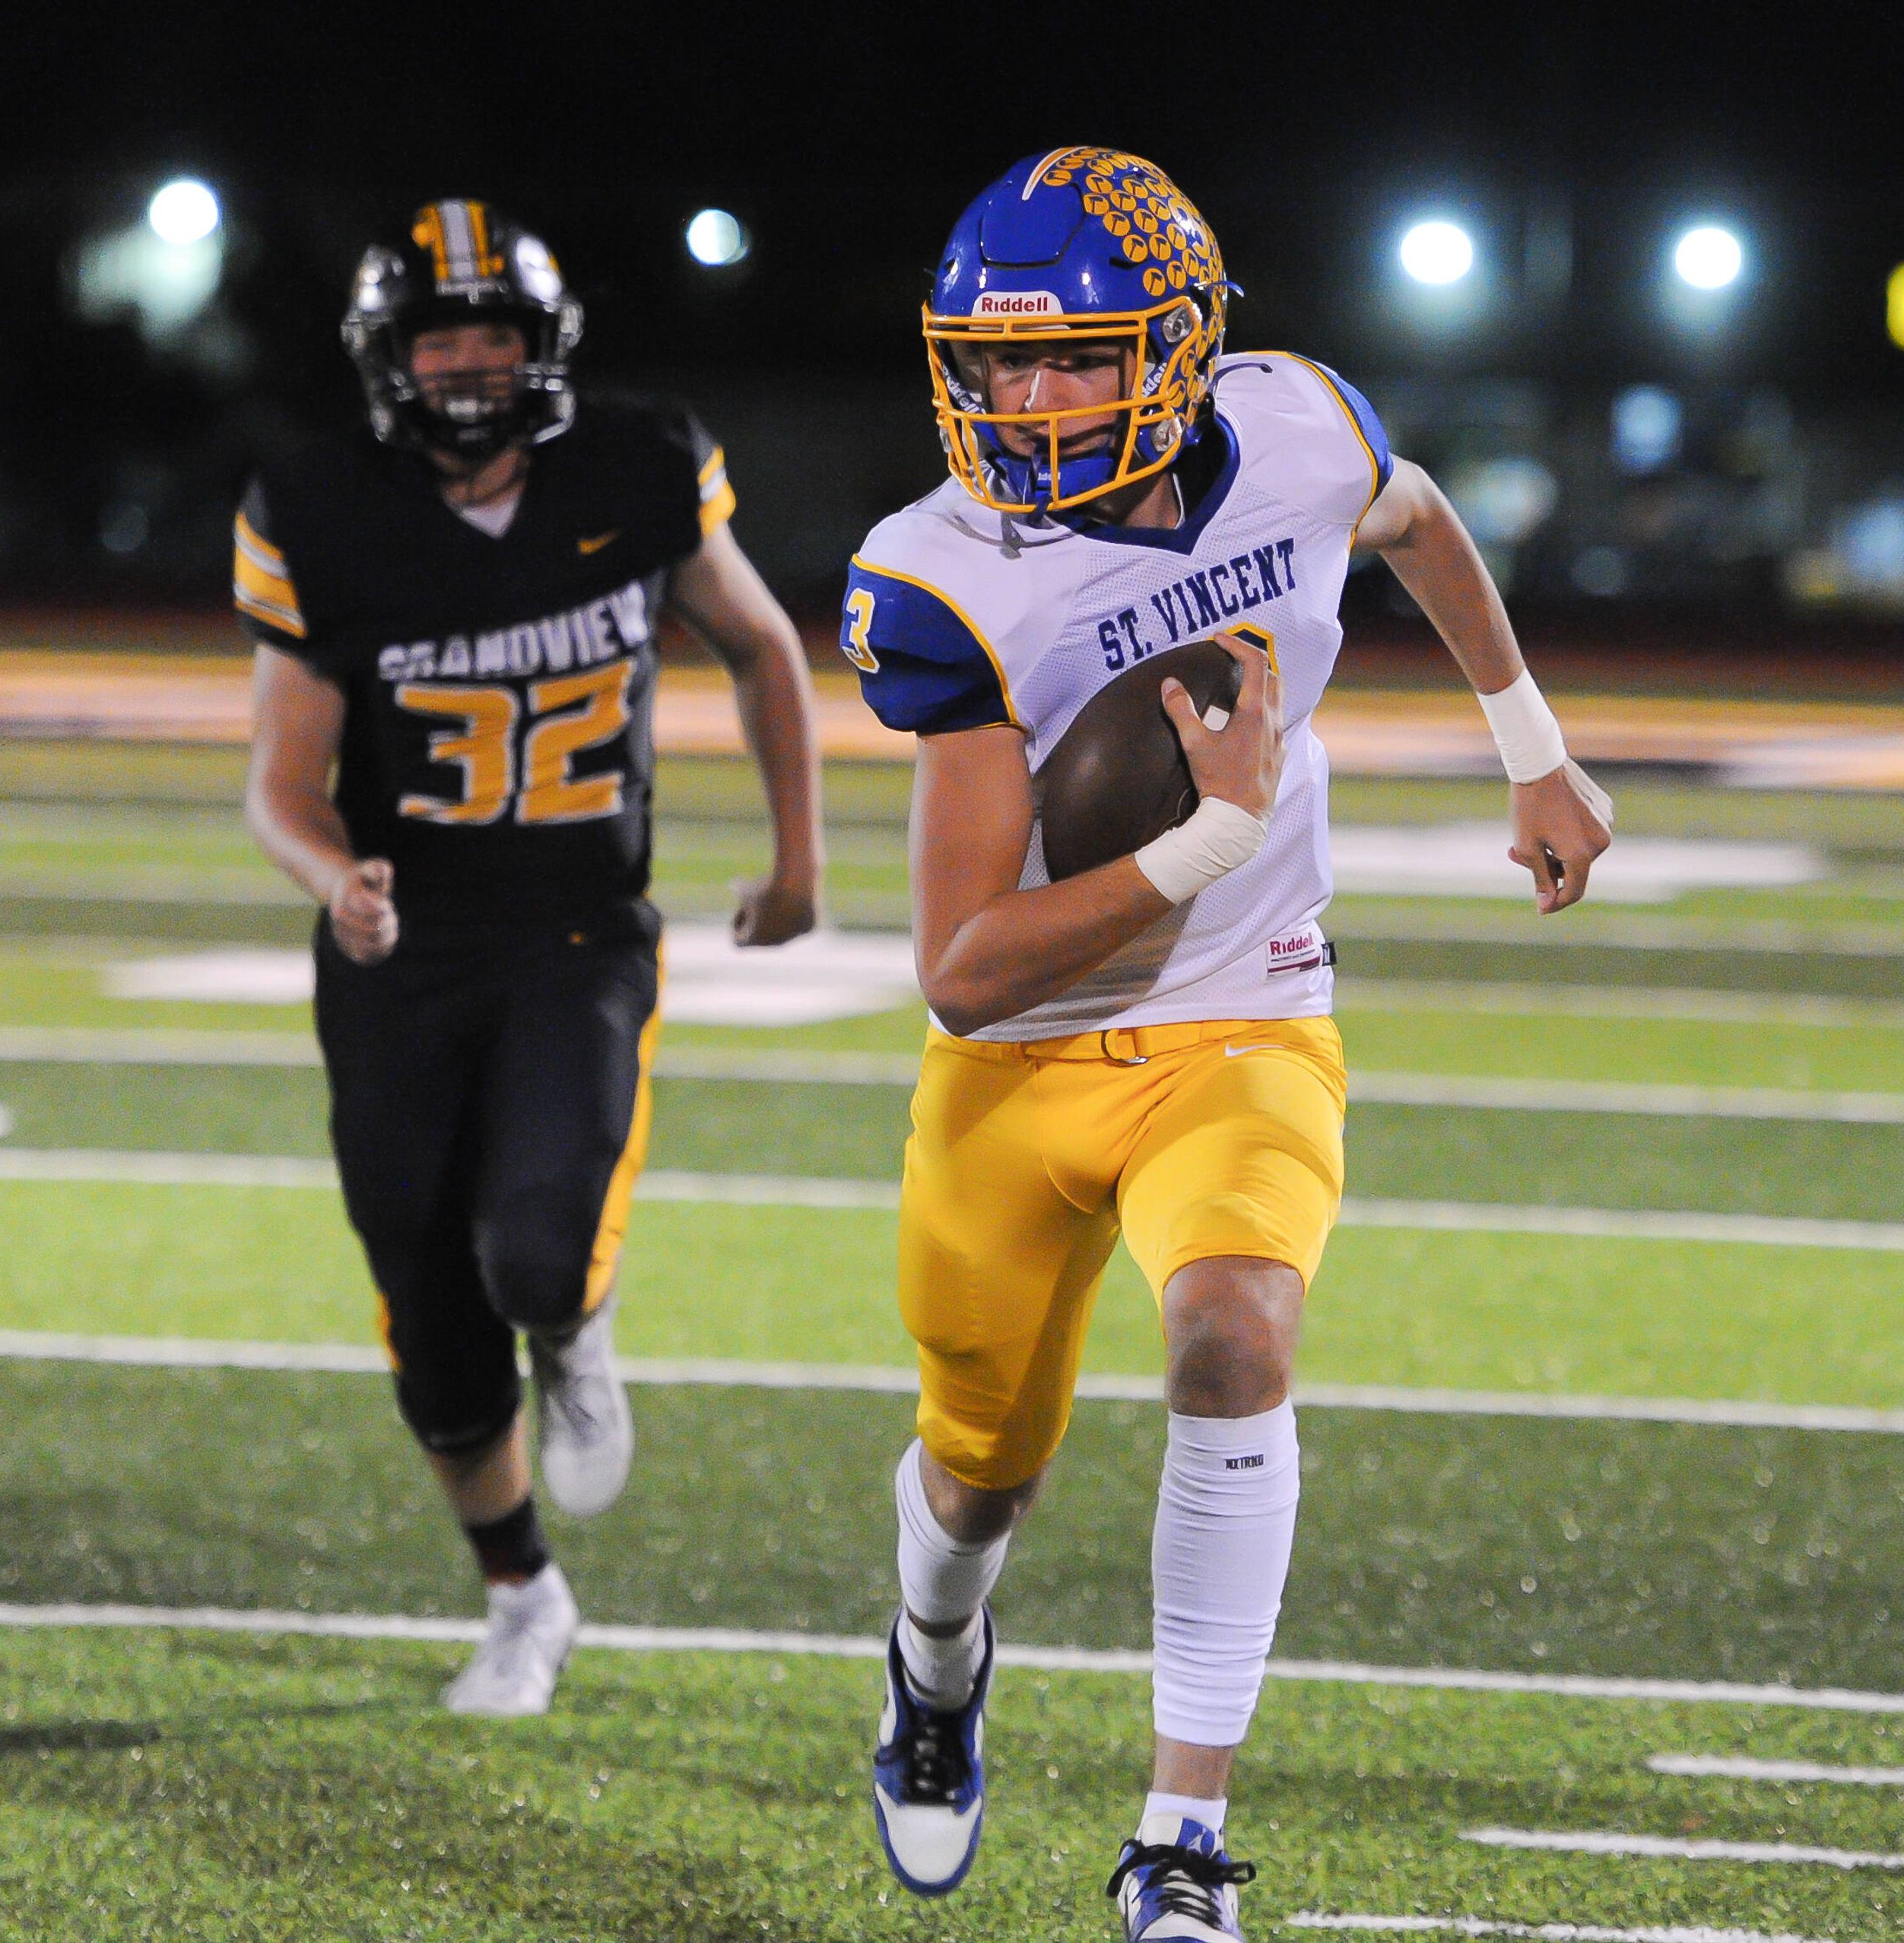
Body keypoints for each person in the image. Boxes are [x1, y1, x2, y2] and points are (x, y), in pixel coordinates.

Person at [840, 151, 1611, 1939]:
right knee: (978, 1473)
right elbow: (960, 971)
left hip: (1244, 1015)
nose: (1022, 403)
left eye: (1071, 360)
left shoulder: (1298, 429)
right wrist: (1195, 836)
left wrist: (1533, 743)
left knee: (1234, 1336)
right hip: (1021, 1063)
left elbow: (1415, 521)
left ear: (1180, 351)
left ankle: (1179, 1841)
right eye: (994, 363)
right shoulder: (944, 576)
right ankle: (937, 1676)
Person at [238, 198, 823, 1718]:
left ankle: (573, 1326)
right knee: (430, 1316)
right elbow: (280, 781)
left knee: (539, 1253)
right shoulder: (320, 505)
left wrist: (798, 857)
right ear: (392, 358)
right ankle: (520, 1592)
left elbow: (762, 646)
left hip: (575, 927)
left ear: (546, 345)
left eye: (496, 331)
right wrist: (331, 874)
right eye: (442, 336)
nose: (472, 363)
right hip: (403, 948)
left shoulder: (633, 466)